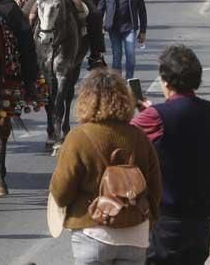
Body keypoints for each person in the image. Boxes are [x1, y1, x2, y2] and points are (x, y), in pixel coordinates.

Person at [49, 69, 162, 265]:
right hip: (135, 233)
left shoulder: (78, 138)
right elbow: (155, 188)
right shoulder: (139, 137)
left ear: (86, 100)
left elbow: (61, 194)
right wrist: (148, 221)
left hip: (92, 232)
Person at [132, 45, 210, 265]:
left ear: (166, 81)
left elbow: (127, 134)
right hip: (202, 216)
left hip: (169, 218)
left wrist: (148, 112)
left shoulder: (156, 117)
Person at [98, 0, 147, 79]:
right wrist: (99, 27)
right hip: (113, 28)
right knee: (116, 56)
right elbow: (101, 8)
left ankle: (129, 81)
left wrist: (143, 31)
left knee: (130, 56)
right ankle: (118, 83)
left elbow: (142, 10)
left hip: (129, 27)